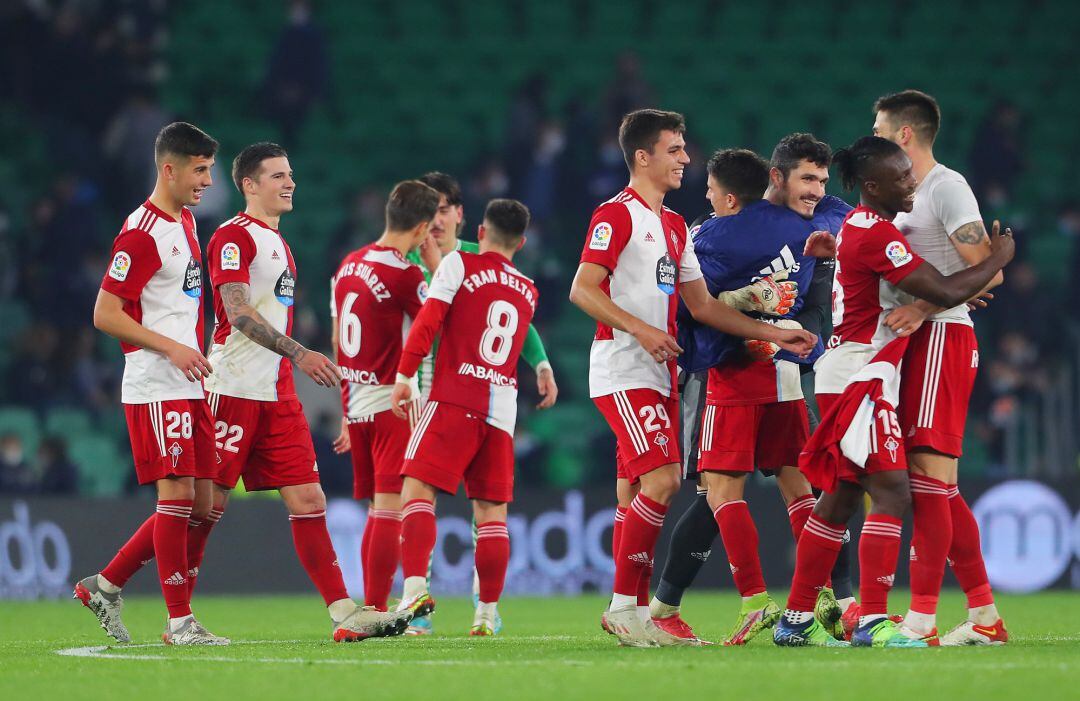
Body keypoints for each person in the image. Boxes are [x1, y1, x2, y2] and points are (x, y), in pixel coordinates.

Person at [569, 109, 817, 647]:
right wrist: (641, 329)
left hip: (662, 371)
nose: (686, 158)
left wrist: (775, 335)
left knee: (634, 489)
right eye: (675, 149)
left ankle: (636, 609)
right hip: (622, 366)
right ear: (643, 156)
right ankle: (624, 609)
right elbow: (583, 289)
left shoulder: (676, 225)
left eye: (684, 149)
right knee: (661, 481)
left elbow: (702, 306)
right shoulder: (617, 215)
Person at [773, 136, 1014, 648]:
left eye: (912, 174)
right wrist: (1000, 258)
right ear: (874, 185)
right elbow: (947, 291)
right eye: (902, 177)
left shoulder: (856, 226)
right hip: (861, 375)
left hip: (850, 371)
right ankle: (875, 620)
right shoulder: (879, 234)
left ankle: (794, 620)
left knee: (839, 499)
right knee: (893, 491)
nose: (912, 183)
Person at [649, 136, 857, 643]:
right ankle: (835, 598)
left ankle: (754, 600)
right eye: (807, 179)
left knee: (720, 492)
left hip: (738, 373)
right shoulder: (825, 221)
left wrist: (743, 308)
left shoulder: (719, 234)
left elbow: (688, 304)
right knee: (798, 491)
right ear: (777, 179)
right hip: (787, 371)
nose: (816, 190)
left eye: (820, 181)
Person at [204, 142, 410, 642]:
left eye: (290, 173)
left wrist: (290, 364)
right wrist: (301, 354)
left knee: (308, 497)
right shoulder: (233, 238)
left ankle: (344, 612)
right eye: (277, 175)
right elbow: (237, 314)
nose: (289, 182)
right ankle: (123, 586)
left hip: (276, 392)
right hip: (232, 387)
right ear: (249, 185)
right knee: (199, 507)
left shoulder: (280, 243)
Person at [74, 122, 227, 645]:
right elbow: (104, 313)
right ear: (170, 169)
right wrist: (173, 347)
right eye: (200, 169)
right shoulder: (142, 232)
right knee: (179, 497)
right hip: (155, 382)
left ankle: (106, 583)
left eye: (210, 168)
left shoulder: (185, 220)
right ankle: (180, 622)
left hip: (187, 380)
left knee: (203, 505)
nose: (208, 180)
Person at [873, 89, 1009, 646]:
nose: (873, 134)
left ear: (905, 134)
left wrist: (926, 305)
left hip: (940, 339)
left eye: (879, 127)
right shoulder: (904, 194)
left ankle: (922, 619)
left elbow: (989, 271)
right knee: (940, 487)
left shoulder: (946, 187)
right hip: (915, 342)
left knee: (929, 480)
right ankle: (983, 617)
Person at [403, 171, 558, 635]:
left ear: (466, 220)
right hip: (497, 400)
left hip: (447, 390)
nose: (437, 217)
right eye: (429, 209)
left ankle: (415, 598)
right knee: (489, 512)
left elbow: (430, 321)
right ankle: (479, 612)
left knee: (416, 494)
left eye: (444, 208)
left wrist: (542, 360)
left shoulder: (460, 261)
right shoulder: (523, 283)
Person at [328, 180, 440, 612]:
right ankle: (374, 608)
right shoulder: (406, 273)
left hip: (355, 403)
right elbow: (436, 328)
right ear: (422, 229)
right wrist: (438, 267)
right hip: (392, 401)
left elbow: (339, 340)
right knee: (391, 508)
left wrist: (344, 406)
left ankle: (375, 602)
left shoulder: (349, 265)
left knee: (379, 506)